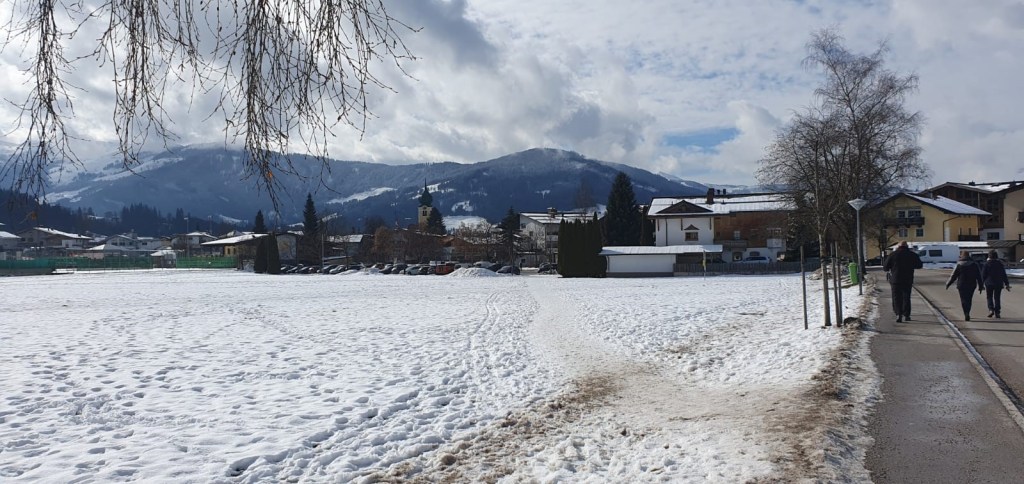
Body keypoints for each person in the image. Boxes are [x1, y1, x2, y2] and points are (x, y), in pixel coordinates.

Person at [883, 240, 923, 322]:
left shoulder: (893, 255)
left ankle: (898, 314)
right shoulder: (912, 255)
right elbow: (919, 265)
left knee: (896, 297)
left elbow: (885, 267)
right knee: (906, 297)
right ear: (907, 246)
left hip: (895, 279)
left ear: (898, 246)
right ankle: (907, 315)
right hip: (908, 279)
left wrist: (892, 268)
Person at [945, 251, 984, 321]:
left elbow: (953, 276)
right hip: (971, 284)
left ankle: (966, 313)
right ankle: (968, 312)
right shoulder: (974, 264)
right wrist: (981, 286)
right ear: (969, 256)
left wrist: (948, 283)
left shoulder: (959, 265)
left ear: (962, 256)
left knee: (963, 299)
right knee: (969, 299)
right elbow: (979, 276)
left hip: (961, 285)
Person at [981, 250, 1011, 318]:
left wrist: (981, 284)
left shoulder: (986, 264)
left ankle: (991, 309)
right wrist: (1007, 284)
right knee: (997, 297)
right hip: (998, 283)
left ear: (989, 256)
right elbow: (1003, 275)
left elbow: (983, 275)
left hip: (989, 283)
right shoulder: (1000, 264)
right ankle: (997, 312)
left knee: (989, 296)